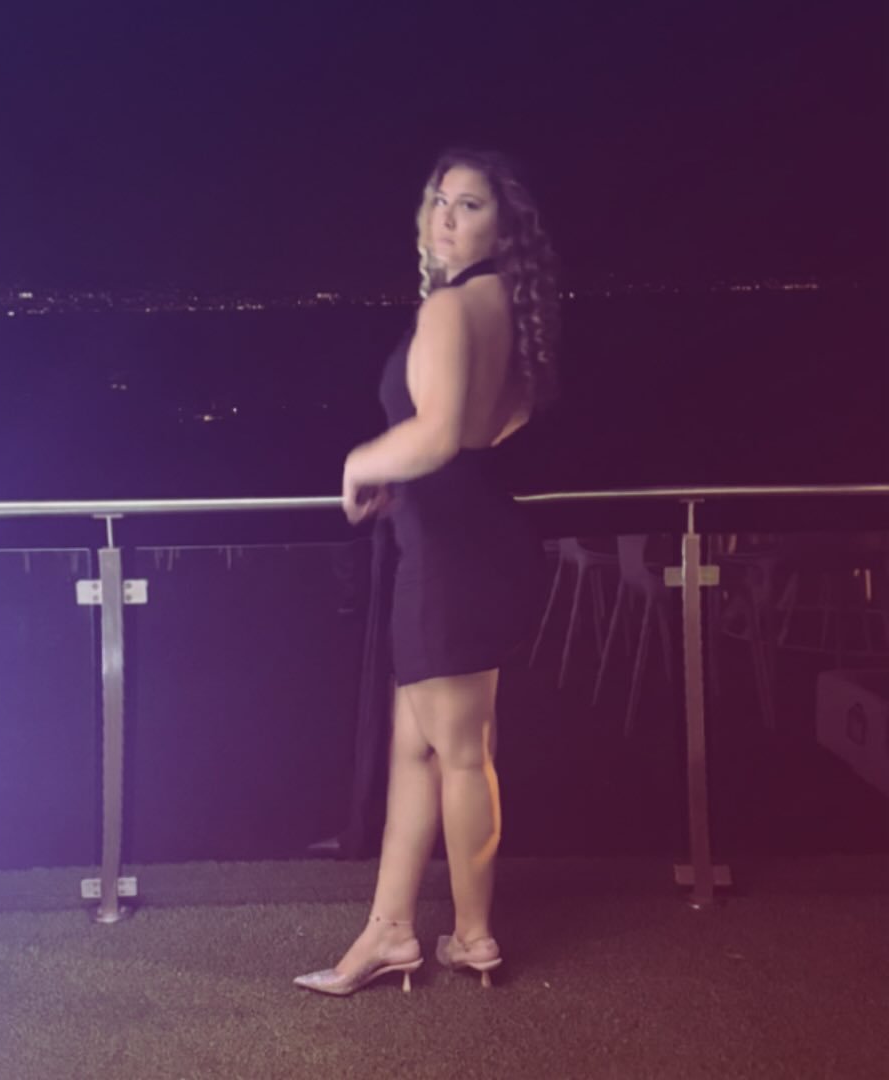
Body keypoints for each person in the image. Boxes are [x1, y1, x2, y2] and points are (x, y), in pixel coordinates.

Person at [294, 147, 560, 995]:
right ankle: (392, 932)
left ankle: (475, 937)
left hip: (449, 559)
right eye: (440, 199)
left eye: (470, 204)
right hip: (470, 541)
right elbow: (497, 426)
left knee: (461, 754)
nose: (446, 215)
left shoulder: (450, 308)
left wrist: (363, 462)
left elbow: (441, 434)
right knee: (419, 747)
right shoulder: (507, 305)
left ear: (503, 226)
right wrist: (407, 482)